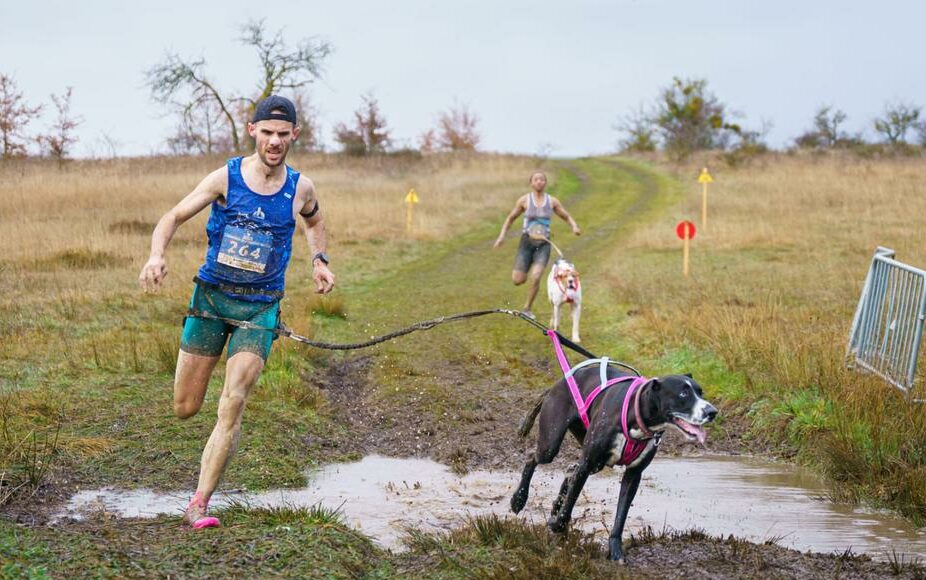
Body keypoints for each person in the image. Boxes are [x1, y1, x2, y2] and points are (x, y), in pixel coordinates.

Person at [138, 95, 335, 529]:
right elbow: (172, 216)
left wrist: (320, 261)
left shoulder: (300, 187)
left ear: (294, 136)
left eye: (284, 135)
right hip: (210, 300)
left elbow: (315, 222)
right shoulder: (225, 178)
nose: (275, 142)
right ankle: (202, 469)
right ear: (253, 131)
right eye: (267, 133)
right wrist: (156, 256)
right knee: (185, 407)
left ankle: (199, 504)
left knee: (233, 401)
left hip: (260, 309)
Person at [493, 171, 580, 317]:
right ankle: (525, 271)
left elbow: (566, 216)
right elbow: (510, 218)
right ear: (531, 183)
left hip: (544, 245)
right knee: (517, 280)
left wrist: (574, 226)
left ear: (545, 183)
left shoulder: (552, 201)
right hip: (526, 243)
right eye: (536, 179)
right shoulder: (524, 201)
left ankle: (527, 309)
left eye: (542, 179)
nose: (539, 182)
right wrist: (501, 236)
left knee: (537, 276)